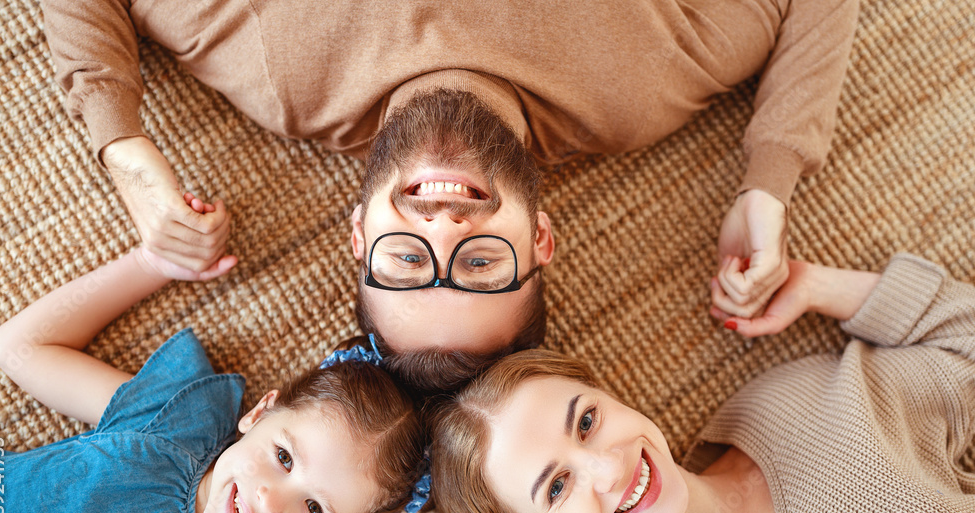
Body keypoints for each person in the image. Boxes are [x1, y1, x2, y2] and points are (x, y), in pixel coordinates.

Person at [41, 0, 860, 389]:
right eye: (476, 266)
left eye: (405, 261)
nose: (443, 227)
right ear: (540, 237)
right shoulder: (640, 88)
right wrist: (769, 182)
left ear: (358, 234)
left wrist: (127, 150)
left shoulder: (277, 74)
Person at [429, 253, 975, 513]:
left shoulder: (796, 409)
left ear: (611, 396)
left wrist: (811, 283)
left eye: (588, 422)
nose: (609, 469)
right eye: (556, 488)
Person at [0, 202, 424, 513]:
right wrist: (152, 264)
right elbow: (18, 348)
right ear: (259, 412)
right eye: (284, 458)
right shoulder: (169, 424)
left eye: (315, 510)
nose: (272, 504)